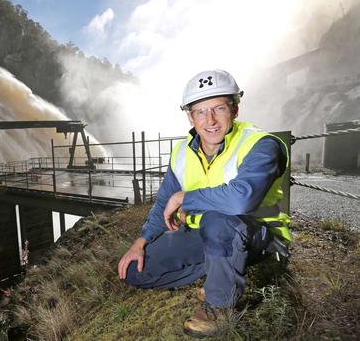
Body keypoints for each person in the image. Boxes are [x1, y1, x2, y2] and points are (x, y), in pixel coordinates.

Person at [117, 69, 291, 338]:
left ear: (234, 109)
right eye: (200, 111)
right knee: (134, 271)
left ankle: (220, 304)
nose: (210, 120)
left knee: (217, 218)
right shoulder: (183, 152)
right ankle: (221, 276)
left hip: (256, 235)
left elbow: (241, 198)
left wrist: (187, 198)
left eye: (218, 108)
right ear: (190, 116)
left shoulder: (261, 145)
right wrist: (141, 241)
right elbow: (164, 201)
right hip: (204, 236)